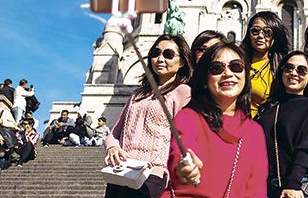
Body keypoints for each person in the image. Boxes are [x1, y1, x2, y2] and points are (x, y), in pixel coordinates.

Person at [165, 41, 267, 197]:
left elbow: (257, 189)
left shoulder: (255, 131)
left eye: (236, 66)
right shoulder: (189, 117)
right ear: (205, 79)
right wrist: (184, 166)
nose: (227, 73)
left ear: (246, 75)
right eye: (216, 69)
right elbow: (180, 152)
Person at [104, 34, 193, 198]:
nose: (160, 59)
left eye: (168, 54)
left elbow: (187, 137)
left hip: (152, 175)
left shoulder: (182, 92)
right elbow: (114, 133)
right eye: (155, 53)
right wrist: (112, 147)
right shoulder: (137, 95)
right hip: (121, 172)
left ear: (181, 62)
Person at [256, 51, 308, 198]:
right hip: (268, 187)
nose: (294, 73)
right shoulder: (267, 109)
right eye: (288, 68)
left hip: (298, 185)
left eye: (301, 70)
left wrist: (293, 182)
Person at [243, 11, 291, 116]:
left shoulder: (282, 67)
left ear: (275, 35)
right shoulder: (238, 60)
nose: (260, 35)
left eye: (267, 32)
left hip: (264, 126)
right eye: (255, 31)